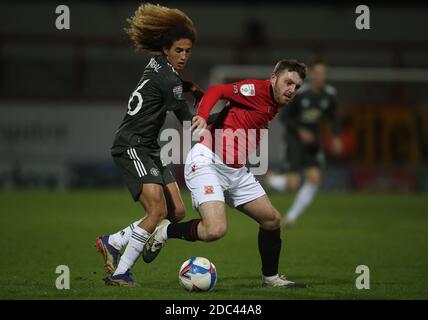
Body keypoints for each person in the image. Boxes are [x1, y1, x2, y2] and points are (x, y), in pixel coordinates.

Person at [143, 59, 308, 288]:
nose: (292, 90)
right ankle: (165, 231)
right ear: (273, 78)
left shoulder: (275, 102)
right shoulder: (256, 90)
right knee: (215, 230)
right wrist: (201, 114)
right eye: (288, 82)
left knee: (271, 220)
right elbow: (217, 90)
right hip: (207, 161)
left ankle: (270, 279)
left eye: (297, 86)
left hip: (235, 171)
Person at [95, 3, 209, 287]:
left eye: (188, 51)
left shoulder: (158, 65)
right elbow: (188, 120)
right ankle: (120, 273)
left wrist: (189, 87)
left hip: (150, 148)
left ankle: (114, 241)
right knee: (157, 212)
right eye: (179, 50)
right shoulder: (169, 78)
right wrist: (221, 115)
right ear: (167, 49)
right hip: (132, 146)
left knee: (177, 212)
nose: (183, 56)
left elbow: (172, 86)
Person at [267, 58, 342, 227]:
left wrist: (336, 137)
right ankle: (272, 180)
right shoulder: (300, 93)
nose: (320, 77)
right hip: (294, 141)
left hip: (313, 142)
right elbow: (285, 117)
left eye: (323, 74)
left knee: (314, 178)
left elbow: (334, 117)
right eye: (317, 73)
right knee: (293, 184)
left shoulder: (329, 94)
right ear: (312, 75)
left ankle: (291, 218)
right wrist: (300, 130)